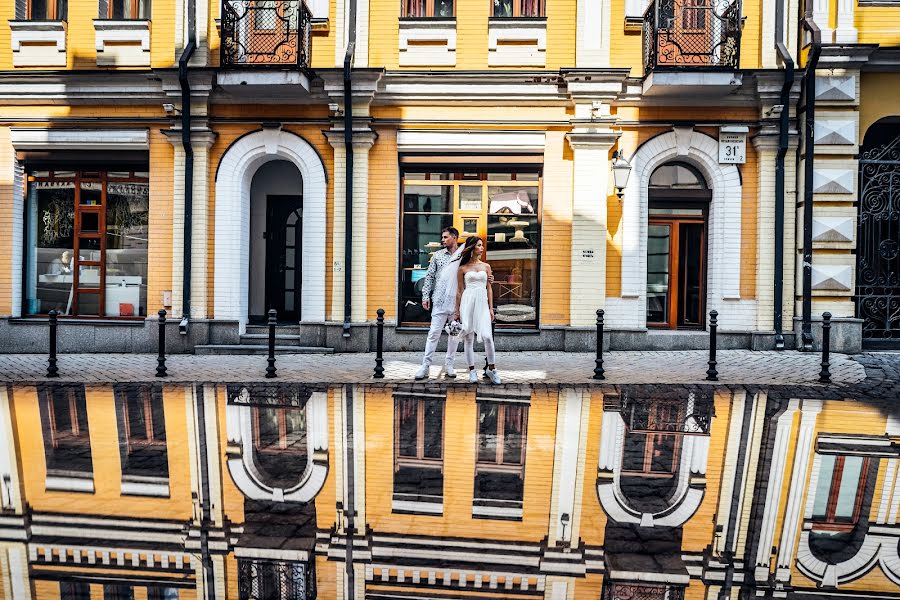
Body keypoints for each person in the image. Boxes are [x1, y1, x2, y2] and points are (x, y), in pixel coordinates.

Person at [415, 227, 463, 380]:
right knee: (433, 334)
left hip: (456, 302)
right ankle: (425, 366)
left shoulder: (463, 255)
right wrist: (425, 296)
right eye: (442, 237)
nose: (442, 240)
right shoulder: (437, 255)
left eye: (445, 237)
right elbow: (429, 277)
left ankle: (449, 364)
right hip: (440, 301)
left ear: (454, 238)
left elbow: (471, 271)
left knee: (454, 334)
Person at [453, 236, 501, 385]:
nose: (482, 248)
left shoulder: (486, 267)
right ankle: (472, 371)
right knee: (468, 337)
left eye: (482, 245)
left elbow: (489, 289)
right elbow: (459, 291)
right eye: (479, 245)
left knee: (487, 336)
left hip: (482, 302)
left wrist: (491, 308)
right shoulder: (462, 268)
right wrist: (457, 311)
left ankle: (492, 369)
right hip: (467, 301)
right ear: (473, 247)